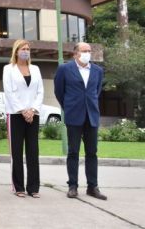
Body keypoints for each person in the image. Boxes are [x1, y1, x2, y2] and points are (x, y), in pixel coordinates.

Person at [54, 42, 107, 200]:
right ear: (76, 53)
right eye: (84, 51)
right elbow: (59, 91)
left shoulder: (98, 71)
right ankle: (73, 186)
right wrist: (69, 107)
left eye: (89, 51)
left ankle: (92, 187)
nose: (88, 53)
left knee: (92, 153)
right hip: (74, 115)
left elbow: (96, 92)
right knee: (73, 152)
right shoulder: (64, 69)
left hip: (91, 116)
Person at [3, 39, 43, 198]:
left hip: (34, 115)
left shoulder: (36, 69)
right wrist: (23, 110)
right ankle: (18, 187)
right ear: (16, 51)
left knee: (33, 152)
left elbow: (40, 92)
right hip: (15, 115)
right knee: (17, 152)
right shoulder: (8, 69)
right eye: (23, 49)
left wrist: (32, 110)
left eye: (28, 49)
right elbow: (9, 92)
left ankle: (33, 188)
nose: (26, 51)